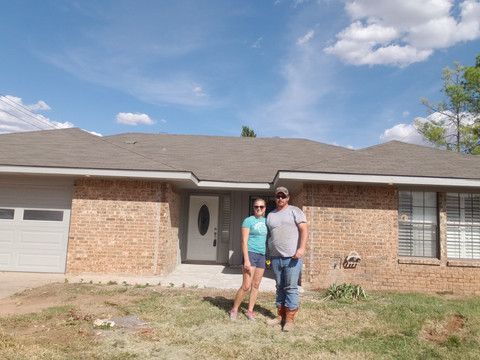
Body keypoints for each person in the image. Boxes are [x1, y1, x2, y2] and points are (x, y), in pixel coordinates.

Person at [266, 186, 307, 331]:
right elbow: (270, 236)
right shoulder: (270, 215)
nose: (280, 199)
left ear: (288, 198)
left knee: (291, 287)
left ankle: (289, 319)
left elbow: (304, 229)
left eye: (283, 196)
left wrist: (301, 249)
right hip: (276, 257)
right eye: (278, 196)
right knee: (279, 287)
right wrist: (268, 255)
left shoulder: (295, 211)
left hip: (292, 257)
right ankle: (280, 316)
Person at [229, 198, 268, 321]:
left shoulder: (267, 222)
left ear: (265, 208)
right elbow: (244, 241)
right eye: (256, 206)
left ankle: (250, 311)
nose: (259, 209)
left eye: (261, 207)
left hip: (262, 255)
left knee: (256, 285)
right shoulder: (248, 221)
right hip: (250, 254)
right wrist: (246, 259)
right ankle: (234, 309)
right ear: (253, 208)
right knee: (246, 286)